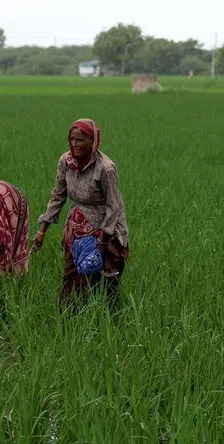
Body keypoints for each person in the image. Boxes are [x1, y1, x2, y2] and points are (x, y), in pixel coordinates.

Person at [29, 118, 130, 307]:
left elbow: (114, 206)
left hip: (106, 226)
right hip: (77, 226)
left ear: (93, 141)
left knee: (106, 283)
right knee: (72, 279)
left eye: (81, 140)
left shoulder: (106, 168)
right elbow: (58, 196)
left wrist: (102, 240)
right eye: (72, 139)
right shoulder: (65, 162)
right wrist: (42, 230)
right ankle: (67, 320)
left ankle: (109, 322)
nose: (75, 144)